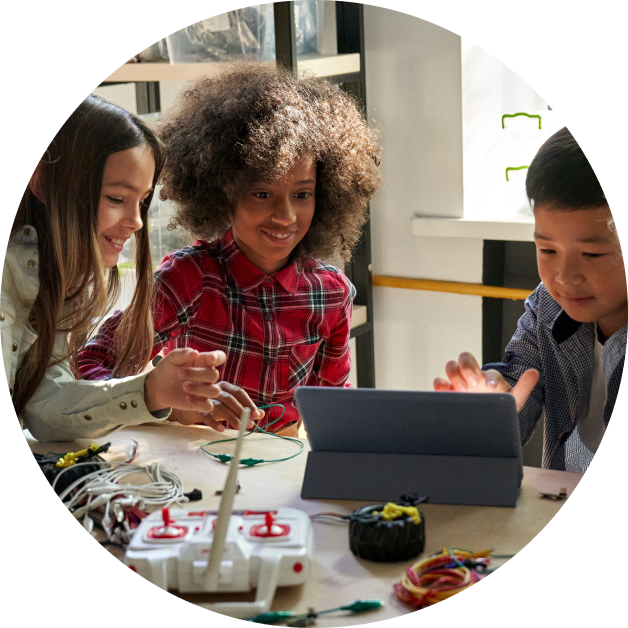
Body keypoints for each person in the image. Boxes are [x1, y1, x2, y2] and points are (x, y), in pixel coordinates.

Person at [78, 62, 382, 436]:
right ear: (223, 192)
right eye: (262, 194)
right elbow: (92, 363)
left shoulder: (331, 293)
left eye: (302, 194)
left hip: (279, 470)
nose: (285, 215)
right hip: (199, 464)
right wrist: (165, 401)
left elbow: (331, 406)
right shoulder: (188, 279)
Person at [3, 94, 258, 442]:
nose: (136, 221)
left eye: (141, 201)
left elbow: (46, 408)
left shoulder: (58, 281)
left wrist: (151, 391)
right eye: (116, 199)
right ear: (44, 181)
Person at [433, 126, 628, 474]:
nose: (565, 276)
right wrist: (491, 408)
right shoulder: (549, 307)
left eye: (593, 253)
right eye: (547, 249)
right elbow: (517, 383)